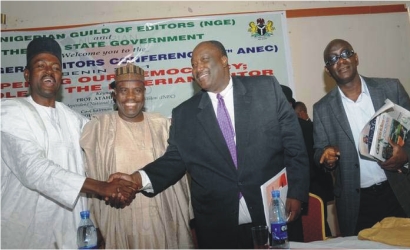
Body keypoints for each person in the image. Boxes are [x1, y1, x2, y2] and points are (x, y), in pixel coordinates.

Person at [109, 40, 310, 248]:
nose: (198, 68)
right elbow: (173, 160)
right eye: (193, 64)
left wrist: (296, 192)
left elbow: (294, 146)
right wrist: (136, 179)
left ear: (224, 60)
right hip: (220, 226)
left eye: (204, 60)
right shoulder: (185, 114)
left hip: (273, 213)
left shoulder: (265, 89)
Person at [1, 37, 138, 249]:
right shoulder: (9, 112)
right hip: (26, 232)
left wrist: (119, 185)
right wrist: (103, 187)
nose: (49, 71)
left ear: (61, 77)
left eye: (55, 67)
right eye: (41, 66)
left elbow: (99, 156)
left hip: (73, 232)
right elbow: (35, 170)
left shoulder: (74, 120)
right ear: (27, 74)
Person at [79, 63, 194, 248]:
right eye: (124, 90)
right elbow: (91, 177)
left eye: (137, 90)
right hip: (118, 219)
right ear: (114, 94)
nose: (131, 97)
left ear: (144, 93)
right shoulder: (98, 128)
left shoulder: (162, 125)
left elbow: (177, 173)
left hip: (162, 218)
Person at [313, 38, 410, 236]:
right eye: (333, 59)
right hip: (357, 203)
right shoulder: (322, 109)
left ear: (356, 57)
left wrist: (405, 156)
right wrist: (326, 159)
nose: (341, 61)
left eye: (345, 53)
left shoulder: (390, 88)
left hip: (398, 191)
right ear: (328, 70)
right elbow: (319, 151)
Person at [294, 101, 334, 237]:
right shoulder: (309, 127)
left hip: (315, 183)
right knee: (320, 224)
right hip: (317, 182)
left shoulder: (310, 127)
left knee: (318, 224)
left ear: (302, 113)